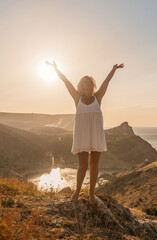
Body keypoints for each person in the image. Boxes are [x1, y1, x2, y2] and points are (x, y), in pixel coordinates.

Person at [46, 60, 124, 204]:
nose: (88, 84)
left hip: (95, 135)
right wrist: (55, 69)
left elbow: (107, 81)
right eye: (85, 82)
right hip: (82, 135)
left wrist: (114, 69)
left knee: (94, 164)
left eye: (89, 82)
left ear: (92, 85)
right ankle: (76, 192)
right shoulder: (77, 98)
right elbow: (66, 82)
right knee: (82, 165)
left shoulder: (98, 97)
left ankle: (92, 195)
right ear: (81, 86)